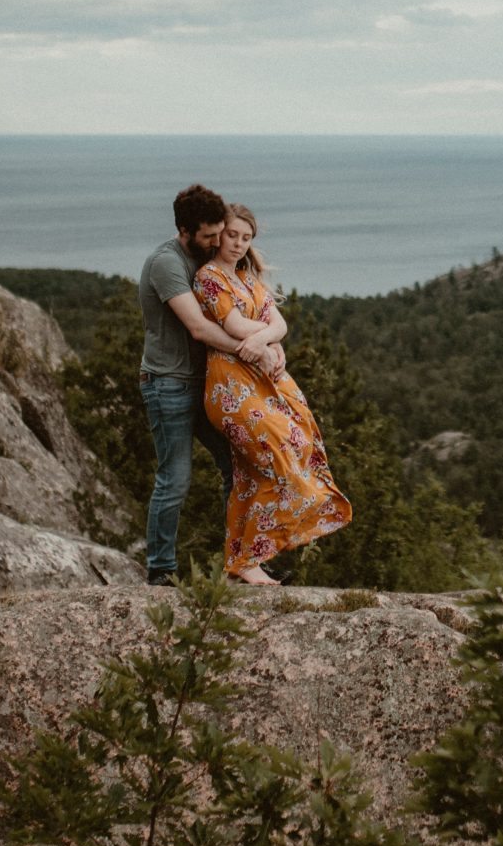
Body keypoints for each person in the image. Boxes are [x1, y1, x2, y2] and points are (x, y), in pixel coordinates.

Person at [192, 202, 350, 585]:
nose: (239, 244)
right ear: (218, 235)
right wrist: (265, 340)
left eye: (246, 238)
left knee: (253, 474)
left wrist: (265, 341)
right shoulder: (208, 277)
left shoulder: (248, 277)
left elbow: (277, 321)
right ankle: (248, 560)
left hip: (263, 384)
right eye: (232, 235)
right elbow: (231, 323)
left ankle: (239, 564)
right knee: (276, 456)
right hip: (231, 389)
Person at [137, 183, 268, 586]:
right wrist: (253, 348)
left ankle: (242, 562)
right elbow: (197, 328)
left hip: (210, 385)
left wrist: (263, 340)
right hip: (169, 384)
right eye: (209, 235)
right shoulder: (167, 263)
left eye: (221, 234)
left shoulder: (209, 262)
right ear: (185, 231)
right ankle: (161, 569)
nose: (217, 242)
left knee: (239, 466)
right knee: (175, 478)